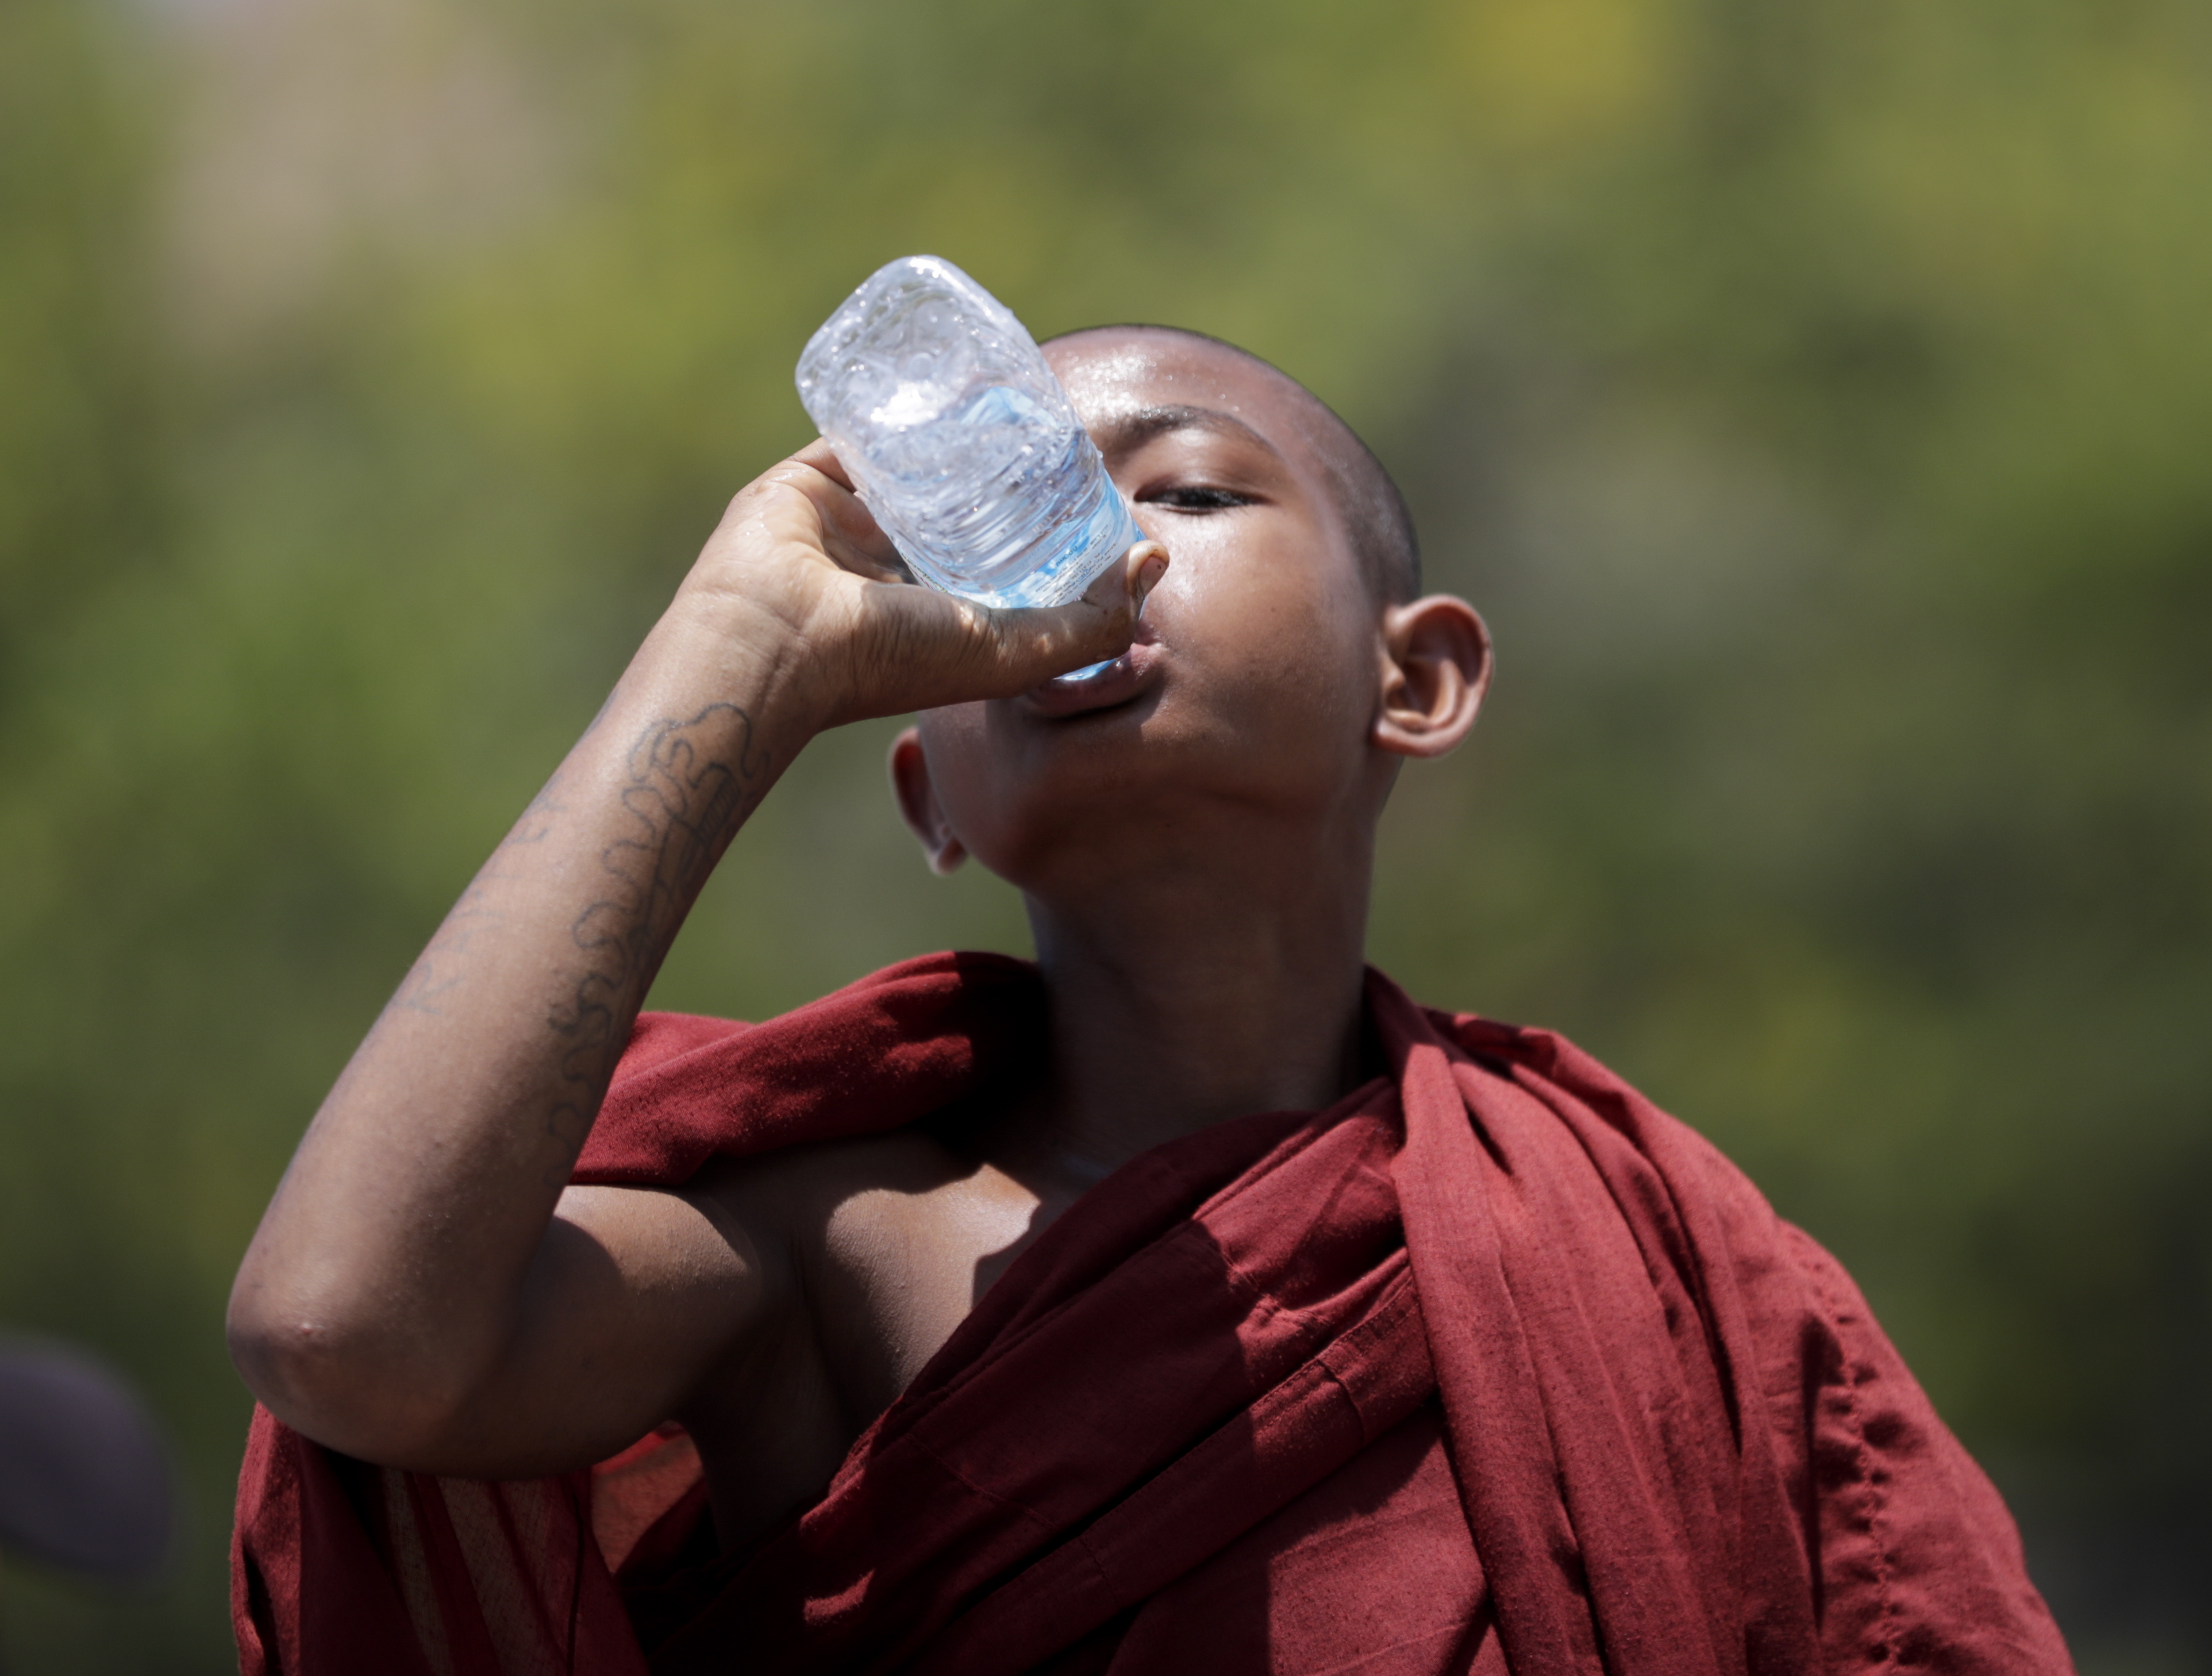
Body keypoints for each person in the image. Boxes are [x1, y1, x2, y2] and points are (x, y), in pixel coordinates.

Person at [226, 326, 2073, 1675]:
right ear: (927, 791)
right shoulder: (840, 1248)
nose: (1080, 566)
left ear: (1411, 677)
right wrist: (742, 651)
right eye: (973, 547)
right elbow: (345, 1332)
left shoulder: (1655, 1265)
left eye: (1184, 491)